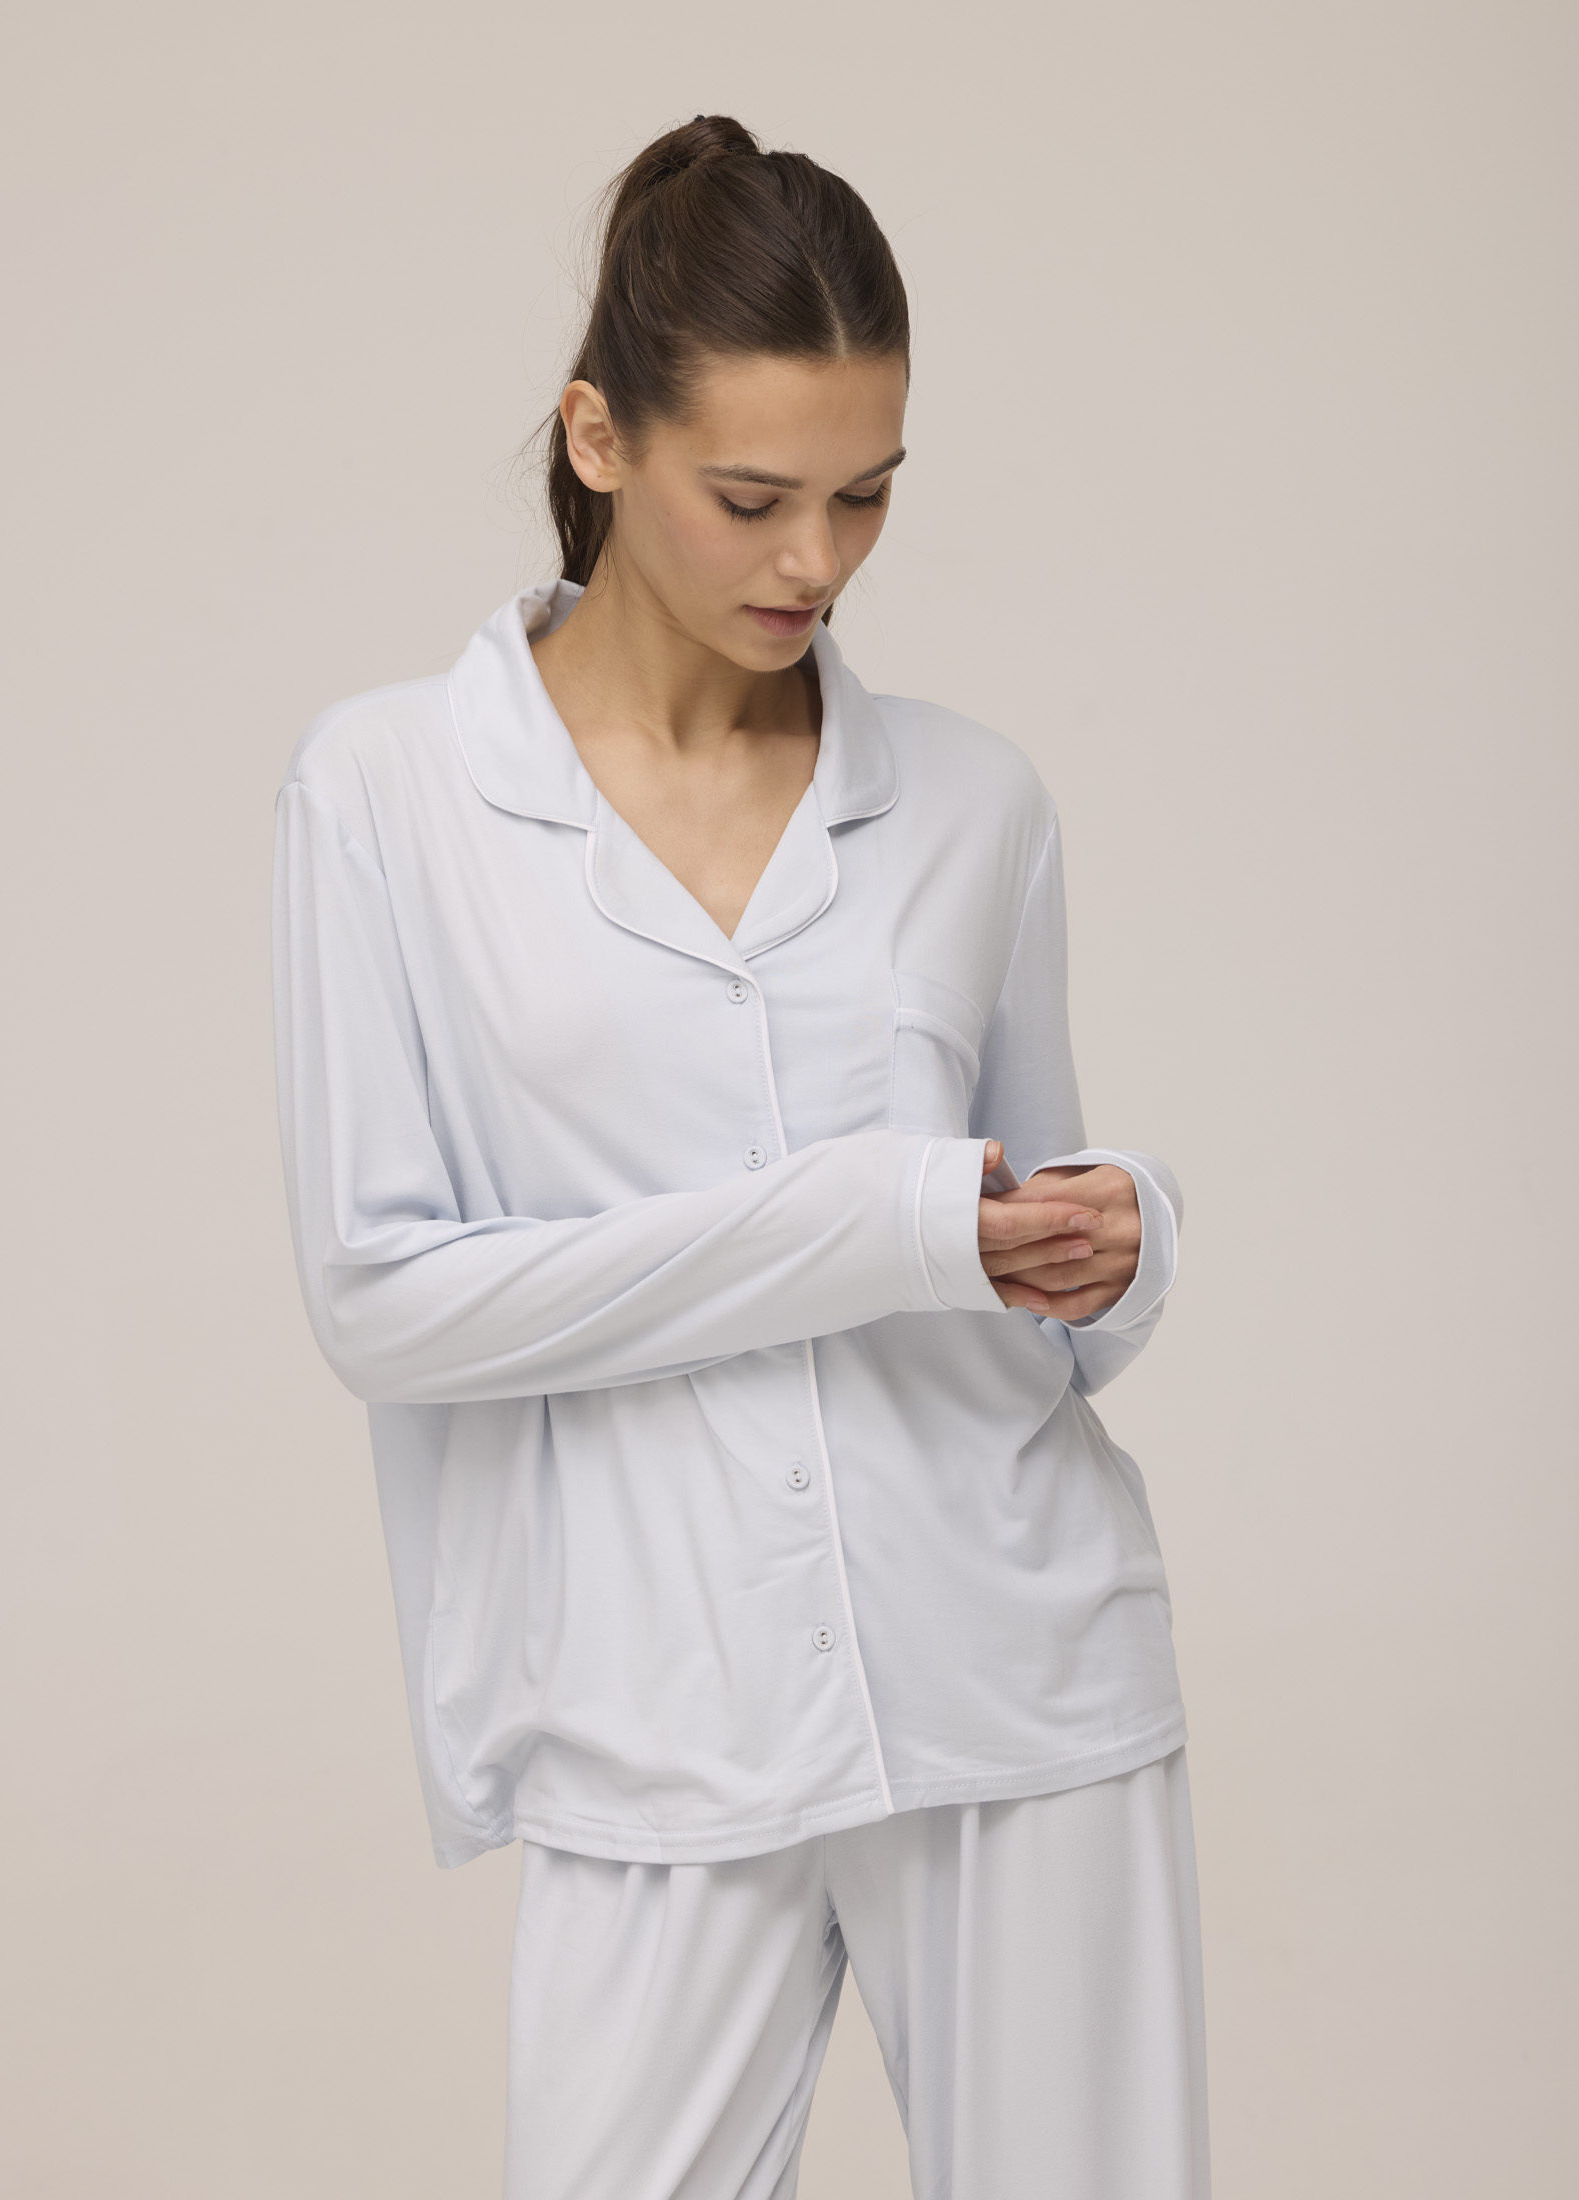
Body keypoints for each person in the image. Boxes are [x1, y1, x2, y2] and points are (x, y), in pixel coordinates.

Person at [274, 114, 1208, 2200]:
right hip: (656, 1706)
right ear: (600, 438)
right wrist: (874, 1218)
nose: (816, 562)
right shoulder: (389, 793)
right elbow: (383, 1300)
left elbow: (1028, 1270)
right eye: (755, 498)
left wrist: (1117, 1239)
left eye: (866, 494)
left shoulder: (975, 802)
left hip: (1019, 1670)